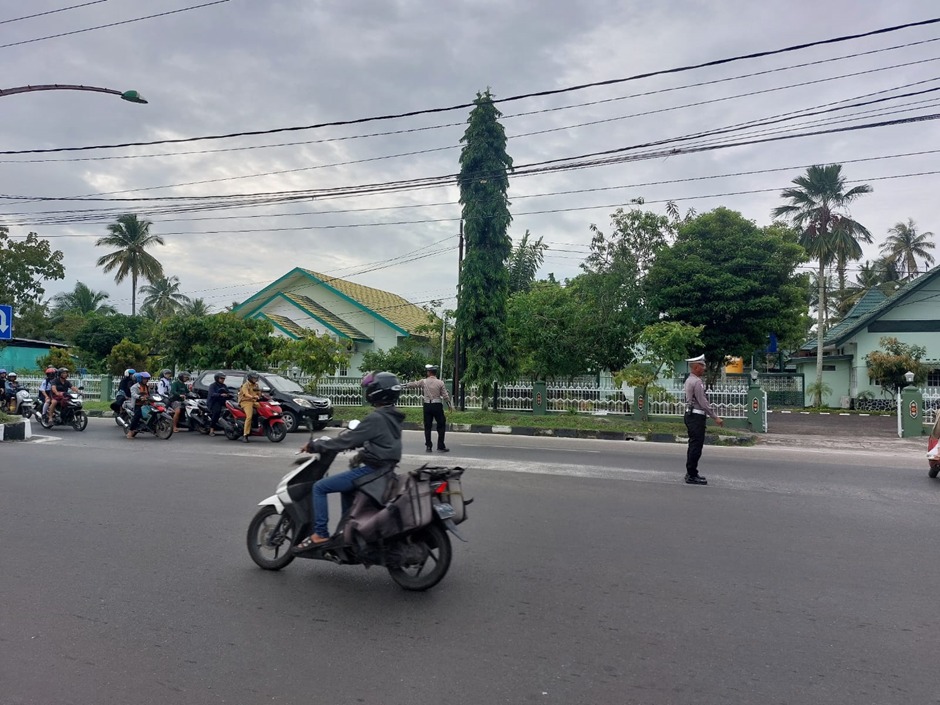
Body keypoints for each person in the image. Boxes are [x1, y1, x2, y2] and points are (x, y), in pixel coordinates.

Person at [294, 371, 405, 549]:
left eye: (370, 388)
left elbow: (346, 440)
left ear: (377, 392)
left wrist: (315, 446)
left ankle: (320, 533)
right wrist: (360, 445)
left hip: (373, 470)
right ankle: (347, 532)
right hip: (385, 471)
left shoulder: (376, 417)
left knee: (319, 487)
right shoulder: (393, 416)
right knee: (346, 491)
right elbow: (380, 440)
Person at [683, 354, 724, 485]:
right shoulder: (697, 382)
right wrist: (715, 417)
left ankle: (691, 472)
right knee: (696, 447)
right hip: (696, 417)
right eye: (702, 366)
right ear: (696, 367)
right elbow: (703, 402)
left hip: (690, 415)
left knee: (693, 445)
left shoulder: (689, 380)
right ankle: (691, 475)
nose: (704, 368)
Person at [403, 363, 452, 452]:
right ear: (435, 373)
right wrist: (449, 405)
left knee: (427, 426)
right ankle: (440, 446)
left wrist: (404, 385)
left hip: (427, 406)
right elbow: (445, 395)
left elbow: (414, 384)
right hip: (437, 405)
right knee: (441, 425)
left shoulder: (423, 381)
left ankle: (428, 446)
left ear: (429, 373)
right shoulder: (440, 382)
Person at [237, 371, 262, 442]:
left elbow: (259, 393)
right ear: (250, 378)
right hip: (246, 402)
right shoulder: (245, 385)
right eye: (254, 378)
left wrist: (261, 395)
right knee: (249, 417)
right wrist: (253, 396)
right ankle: (245, 435)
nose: (255, 379)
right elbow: (246, 394)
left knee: (263, 409)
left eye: (256, 378)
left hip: (254, 401)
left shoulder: (256, 385)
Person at [126, 372, 152, 439]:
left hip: (146, 403)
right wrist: (140, 397)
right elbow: (133, 394)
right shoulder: (134, 387)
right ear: (140, 379)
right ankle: (130, 431)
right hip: (137, 404)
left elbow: (150, 394)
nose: (146, 380)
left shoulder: (147, 386)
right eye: (145, 379)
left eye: (147, 379)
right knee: (137, 415)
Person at [207, 372, 233, 437]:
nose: (223, 379)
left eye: (223, 378)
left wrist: (229, 395)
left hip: (222, 401)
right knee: (216, 412)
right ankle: (211, 430)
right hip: (214, 402)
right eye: (221, 378)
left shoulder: (224, 386)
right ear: (217, 378)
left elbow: (228, 392)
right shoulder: (212, 386)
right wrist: (220, 395)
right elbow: (212, 394)